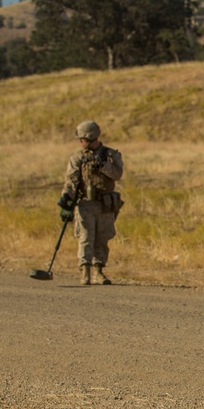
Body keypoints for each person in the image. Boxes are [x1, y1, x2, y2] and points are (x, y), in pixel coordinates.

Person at [57, 120, 124, 285]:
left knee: (102, 238)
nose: (80, 142)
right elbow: (71, 181)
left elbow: (117, 174)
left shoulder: (111, 155)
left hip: (105, 204)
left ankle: (99, 271)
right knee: (85, 237)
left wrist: (104, 165)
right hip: (85, 204)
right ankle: (84, 270)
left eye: (82, 139)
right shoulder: (78, 158)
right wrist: (66, 198)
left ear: (91, 137)